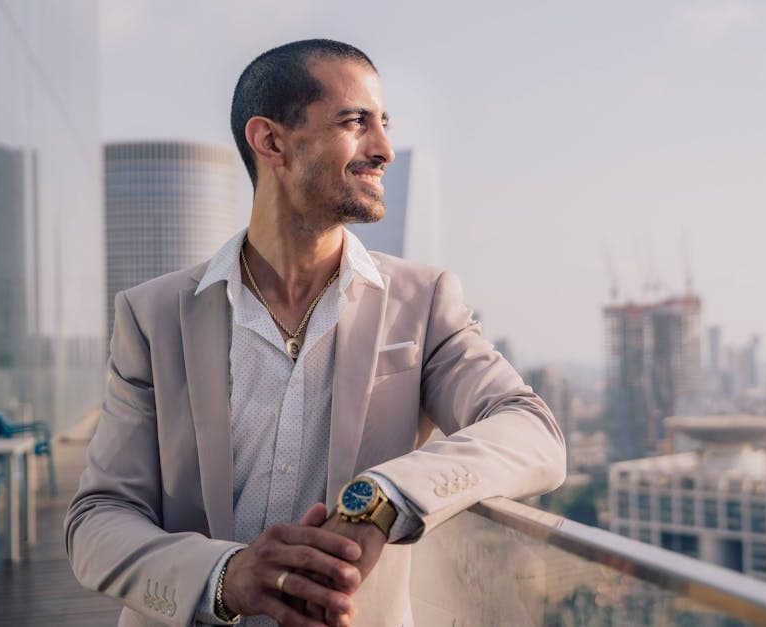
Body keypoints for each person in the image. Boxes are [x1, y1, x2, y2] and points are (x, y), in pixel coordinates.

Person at [66, 39, 565, 627]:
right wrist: (224, 575)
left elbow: (531, 431)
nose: (383, 149)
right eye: (355, 122)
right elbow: (97, 518)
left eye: (384, 123)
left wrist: (382, 498)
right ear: (271, 141)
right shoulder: (151, 316)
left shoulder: (424, 303)